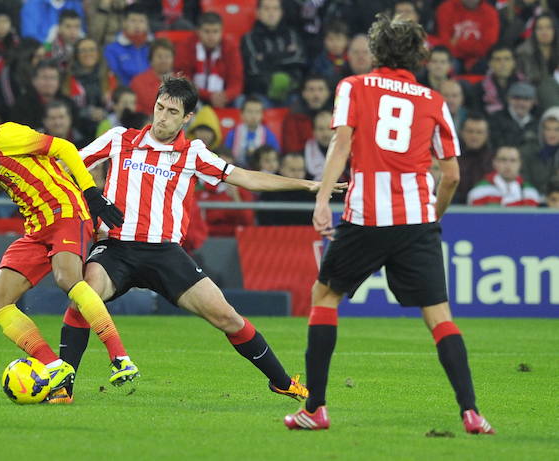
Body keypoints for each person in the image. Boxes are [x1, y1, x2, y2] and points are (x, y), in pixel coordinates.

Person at [285, 14, 494, 434]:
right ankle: (471, 412)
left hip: (365, 217)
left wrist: (323, 200)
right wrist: (431, 217)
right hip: (416, 219)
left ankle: (316, 409)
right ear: (419, 53)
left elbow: (341, 144)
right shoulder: (433, 101)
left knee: (324, 296)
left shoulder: (354, 87)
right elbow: (451, 175)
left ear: (376, 50)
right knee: (439, 316)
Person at [59, 76, 326, 402]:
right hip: (116, 247)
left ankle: (282, 381)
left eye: (172, 112)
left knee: (227, 317)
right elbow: (67, 162)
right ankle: (63, 386)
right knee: (83, 298)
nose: (163, 117)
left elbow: (244, 178)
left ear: (187, 118)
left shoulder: (193, 153)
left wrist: (306, 186)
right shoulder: (119, 139)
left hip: (166, 254)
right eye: (159, 107)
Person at [0, 99, 140, 403]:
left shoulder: (3, 137)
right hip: (37, 227)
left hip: (65, 212)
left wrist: (91, 193)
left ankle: (119, 357)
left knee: (67, 279)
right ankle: (54, 367)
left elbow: (63, 148)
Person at [241, 0, 306, 104]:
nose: (271, 13)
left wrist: (266, 58)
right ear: (258, 13)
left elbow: (299, 61)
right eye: (266, 9)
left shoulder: (292, 35)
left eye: (275, 9)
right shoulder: (249, 38)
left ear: (281, 12)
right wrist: (284, 57)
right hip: (261, 93)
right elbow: (254, 68)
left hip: (291, 92)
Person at [175, 11, 243, 108]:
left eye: (215, 31)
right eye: (207, 31)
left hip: (223, 98)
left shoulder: (230, 48)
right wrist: (208, 95)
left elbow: (236, 81)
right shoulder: (186, 46)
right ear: (198, 31)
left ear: (222, 31)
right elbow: (183, 78)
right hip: (195, 95)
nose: (211, 37)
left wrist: (225, 96)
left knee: (241, 101)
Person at [435, 0, 499, 72]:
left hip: (480, 57)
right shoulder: (446, 8)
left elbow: (489, 44)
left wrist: (458, 43)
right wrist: (474, 44)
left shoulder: (490, 12)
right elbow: (445, 41)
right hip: (453, 56)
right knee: (444, 65)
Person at [467, 145, 541, 206]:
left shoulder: (530, 192)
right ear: (494, 163)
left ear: (520, 164)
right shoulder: (479, 191)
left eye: (513, 160)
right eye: (503, 160)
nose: (508, 165)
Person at [224, 97, 280, 167]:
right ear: (241, 114)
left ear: (262, 115)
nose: (254, 116)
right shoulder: (233, 133)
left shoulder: (268, 135)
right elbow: (226, 156)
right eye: (249, 112)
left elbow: (275, 157)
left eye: (257, 112)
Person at [104, 4, 152, 86]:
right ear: (124, 23)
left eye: (141, 21)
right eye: (133, 20)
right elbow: (115, 78)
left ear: (147, 24)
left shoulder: (153, 47)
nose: (137, 25)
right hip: (126, 93)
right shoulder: (111, 49)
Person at [130, 38, 175, 114]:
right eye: (159, 56)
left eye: (167, 56)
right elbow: (150, 105)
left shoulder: (181, 81)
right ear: (151, 60)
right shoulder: (138, 81)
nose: (163, 60)